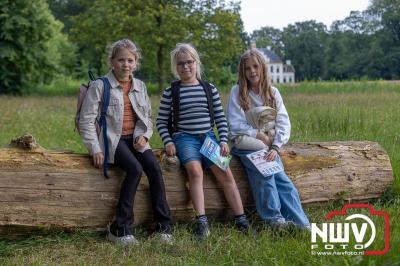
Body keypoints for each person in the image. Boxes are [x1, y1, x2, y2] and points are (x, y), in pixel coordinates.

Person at [79, 39, 172, 246]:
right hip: (113, 140)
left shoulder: (140, 86)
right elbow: (86, 120)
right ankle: (119, 230)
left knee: (155, 169)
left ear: (136, 62)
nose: (126, 64)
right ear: (112, 61)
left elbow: (147, 117)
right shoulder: (100, 86)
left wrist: (144, 135)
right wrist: (95, 148)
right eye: (121, 60)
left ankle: (163, 228)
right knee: (135, 169)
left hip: (135, 138)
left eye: (130, 60)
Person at [156, 43, 249, 240]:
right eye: (181, 64)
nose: (186, 67)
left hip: (208, 138)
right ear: (175, 66)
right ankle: (202, 222)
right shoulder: (171, 91)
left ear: (196, 63)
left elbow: (221, 119)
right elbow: (161, 121)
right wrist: (168, 141)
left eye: (190, 62)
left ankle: (241, 219)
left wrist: (223, 140)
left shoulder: (209, 89)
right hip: (184, 138)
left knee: (225, 173)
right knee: (195, 172)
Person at [226, 49, 310, 230]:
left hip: (269, 146)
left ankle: (301, 224)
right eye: (247, 68)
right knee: (266, 174)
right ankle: (275, 221)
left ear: (263, 68)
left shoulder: (273, 92)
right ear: (242, 71)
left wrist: (276, 147)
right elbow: (234, 123)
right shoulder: (237, 92)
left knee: (283, 181)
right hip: (246, 143)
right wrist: (258, 134)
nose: (252, 71)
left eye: (256, 66)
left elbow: (283, 122)